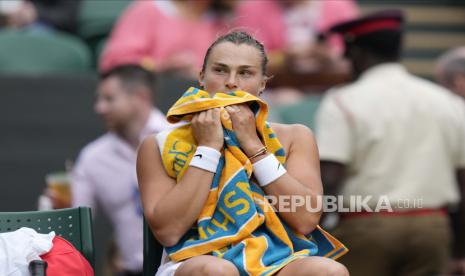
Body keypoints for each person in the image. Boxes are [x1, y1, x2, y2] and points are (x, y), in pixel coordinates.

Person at [137, 31, 349, 276]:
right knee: (219, 272)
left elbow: (305, 219)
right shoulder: (158, 144)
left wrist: (253, 146)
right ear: (202, 77)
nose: (231, 82)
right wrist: (207, 149)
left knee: (330, 272)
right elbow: (168, 231)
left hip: (278, 258)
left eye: (245, 73)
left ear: (262, 84)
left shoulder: (295, 137)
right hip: (194, 259)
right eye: (220, 70)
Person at [316, 10, 465, 276]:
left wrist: (315, 233)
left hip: (366, 226)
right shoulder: (448, 102)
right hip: (432, 228)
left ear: (358, 53)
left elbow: (329, 178)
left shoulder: (341, 101)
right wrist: (460, 249)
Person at [50, 64, 173, 276]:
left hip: (180, 267)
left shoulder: (180, 139)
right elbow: (76, 225)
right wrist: (58, 210)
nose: (100, 108)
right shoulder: (93, 157)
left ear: (141, 97)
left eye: (109, 99)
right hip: (129, 271)